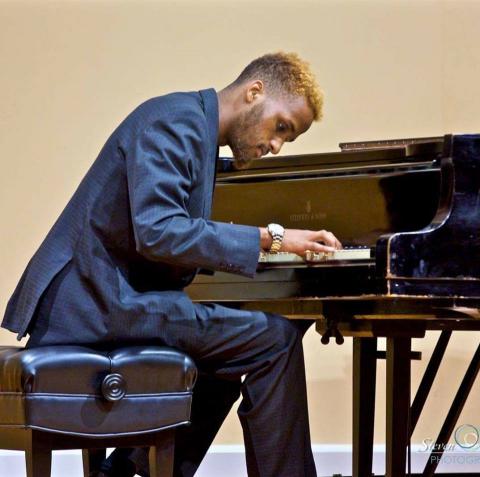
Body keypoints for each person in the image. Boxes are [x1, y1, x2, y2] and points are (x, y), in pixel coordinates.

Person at [2, 52, 341, 477]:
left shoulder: (194, 130)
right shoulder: (175, 123)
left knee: (233, 352)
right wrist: (271, 238)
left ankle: (128, 470)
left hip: (113, 297)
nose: (275, 146)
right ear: (254, 92)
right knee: (276, 341)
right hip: (96, 302)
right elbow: (159, 231)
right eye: (281, 127)